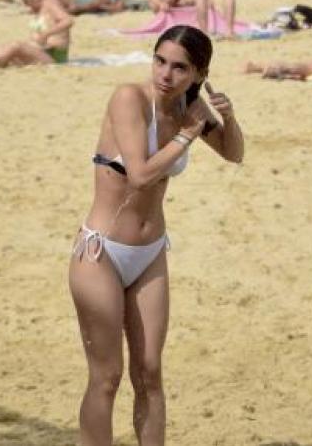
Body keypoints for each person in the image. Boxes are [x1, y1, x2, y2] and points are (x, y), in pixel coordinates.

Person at [70, 26, 243, 446]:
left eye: (180, 67)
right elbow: (141, 175)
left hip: (149, 253)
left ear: (199, 74)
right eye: (160, 61)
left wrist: (229, 118)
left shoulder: (190, 106)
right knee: (106, 377)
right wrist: (187, 134)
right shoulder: (129, 98)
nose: (165, 74)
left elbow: (234, 153)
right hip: (101, 254)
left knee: (149, 372)